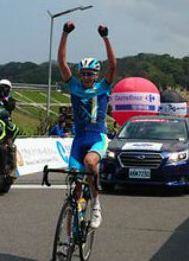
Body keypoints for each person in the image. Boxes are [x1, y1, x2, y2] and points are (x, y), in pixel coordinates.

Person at [58, 22, 116, 229]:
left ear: (96, 75)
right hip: (79, 138)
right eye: (83, 73)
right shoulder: (73, 85)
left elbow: (112, 65)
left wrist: (105, 38)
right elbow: (62, 62)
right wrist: (65, 33)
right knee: (75, 186)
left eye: (90, 73)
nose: (85, 77)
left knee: (91, 163)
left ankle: (97, 205)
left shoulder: (103, 87)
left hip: (97, 136)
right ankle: (72, 234)